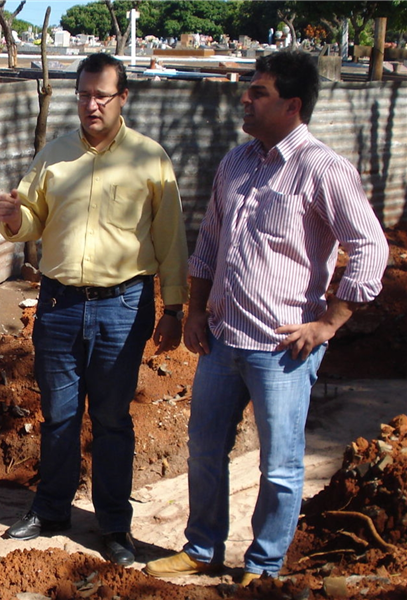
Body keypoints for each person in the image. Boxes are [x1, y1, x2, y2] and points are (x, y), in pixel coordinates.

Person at [144, 51, 389, 585]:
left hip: (282, 349)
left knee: (279, 467)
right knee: (205, 450)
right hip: (223, 338)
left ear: (292, 105)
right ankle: (202, 547)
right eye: (248, 90)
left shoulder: (323, 169)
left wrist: (328, 322)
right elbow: (208, 241)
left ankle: (264, 564)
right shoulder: (236, 162)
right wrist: (195, 311)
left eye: (258, 93)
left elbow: (370, 248)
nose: (245, 100)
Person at [0, 53, 189, 566]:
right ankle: (52, 509)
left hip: (123, 307)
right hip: (58, 305)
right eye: (83, 94)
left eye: (102, 94)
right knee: (58, 416)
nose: (91, 104)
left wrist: (174, 306)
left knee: (110, 420)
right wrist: (15, 219)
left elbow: (170, 237)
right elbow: (33, 219)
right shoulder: (54, 154)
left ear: (123, 97)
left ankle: (113, 526)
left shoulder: (150, 159)